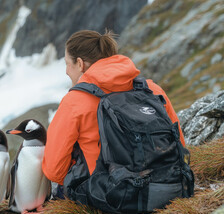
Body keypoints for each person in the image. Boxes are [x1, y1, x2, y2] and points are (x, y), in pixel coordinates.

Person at [42, 29, 185, 198]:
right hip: (170, 186)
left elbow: (54, 170)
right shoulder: (151, 89)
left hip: (111, 196)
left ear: (80, 64)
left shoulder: (75, 101)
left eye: (67, 63)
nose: (66, 71)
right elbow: (180, 145)